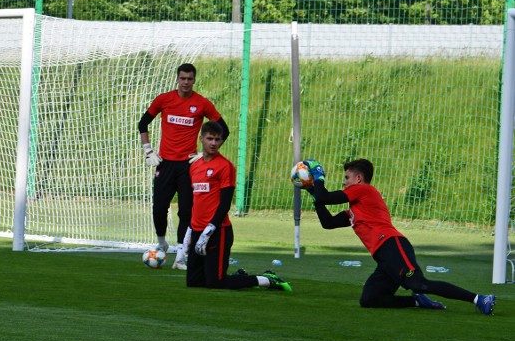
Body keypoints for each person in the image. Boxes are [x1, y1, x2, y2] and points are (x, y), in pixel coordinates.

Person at [302, 158, 495, 315]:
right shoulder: (356, 209)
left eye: (347, 177)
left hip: (392, 245)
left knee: (419, 283)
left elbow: (325, 197)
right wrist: (314, 194)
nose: (344, 182)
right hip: (384, 257)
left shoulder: (364, 190)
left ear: (359, 179)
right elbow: (328, 223)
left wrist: (318, 177)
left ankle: (479, 299)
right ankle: (416, 301)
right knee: (369, 299)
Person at [139, 63, 229, 270]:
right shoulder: (164, 100)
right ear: (177, 79)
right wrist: (148, 150)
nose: (186, 82)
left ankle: (181, 255)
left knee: (187, 211)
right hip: (165, 163)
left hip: (189, 166)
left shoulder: (202, 103)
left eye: (190, 79)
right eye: (183, 78)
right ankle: (162, 243)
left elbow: (223, 130)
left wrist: (203, 153)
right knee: (159, 207)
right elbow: (143, 123)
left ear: (194, 80)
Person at [185, 121, 292, 292]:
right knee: (193, 281)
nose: (213, 143)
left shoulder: (225, 166)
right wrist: (190, 230)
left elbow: (225, 203)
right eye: (210, 138)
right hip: (198, 230)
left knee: (216, 283)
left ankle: (267, 280)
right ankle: (240, 276)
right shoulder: (195, 166)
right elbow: (196, 200)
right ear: (201, 139)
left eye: (217, 139)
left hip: (217, 231)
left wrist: (210, 229)